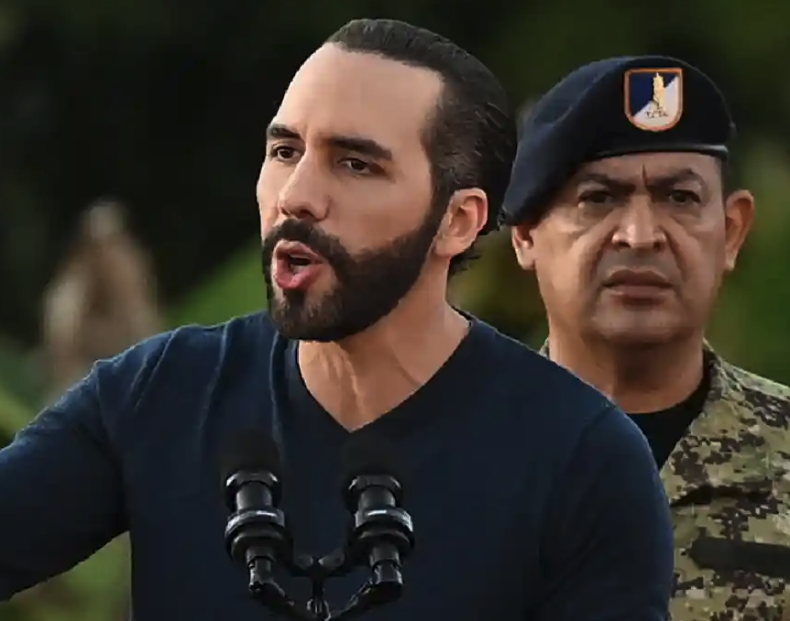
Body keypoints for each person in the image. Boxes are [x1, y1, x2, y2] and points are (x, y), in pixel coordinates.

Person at [0, 23, 672, 621]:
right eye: (284, 152)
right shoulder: (157, 393)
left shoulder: (581, 457)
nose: (296, 197)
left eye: (355, 164)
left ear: (457, 221)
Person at [501, 55, 790, 621]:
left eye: (679, 199)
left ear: (731, 232)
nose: (639, 236)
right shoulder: (445, 460)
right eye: (598, 199)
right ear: (526, 234)